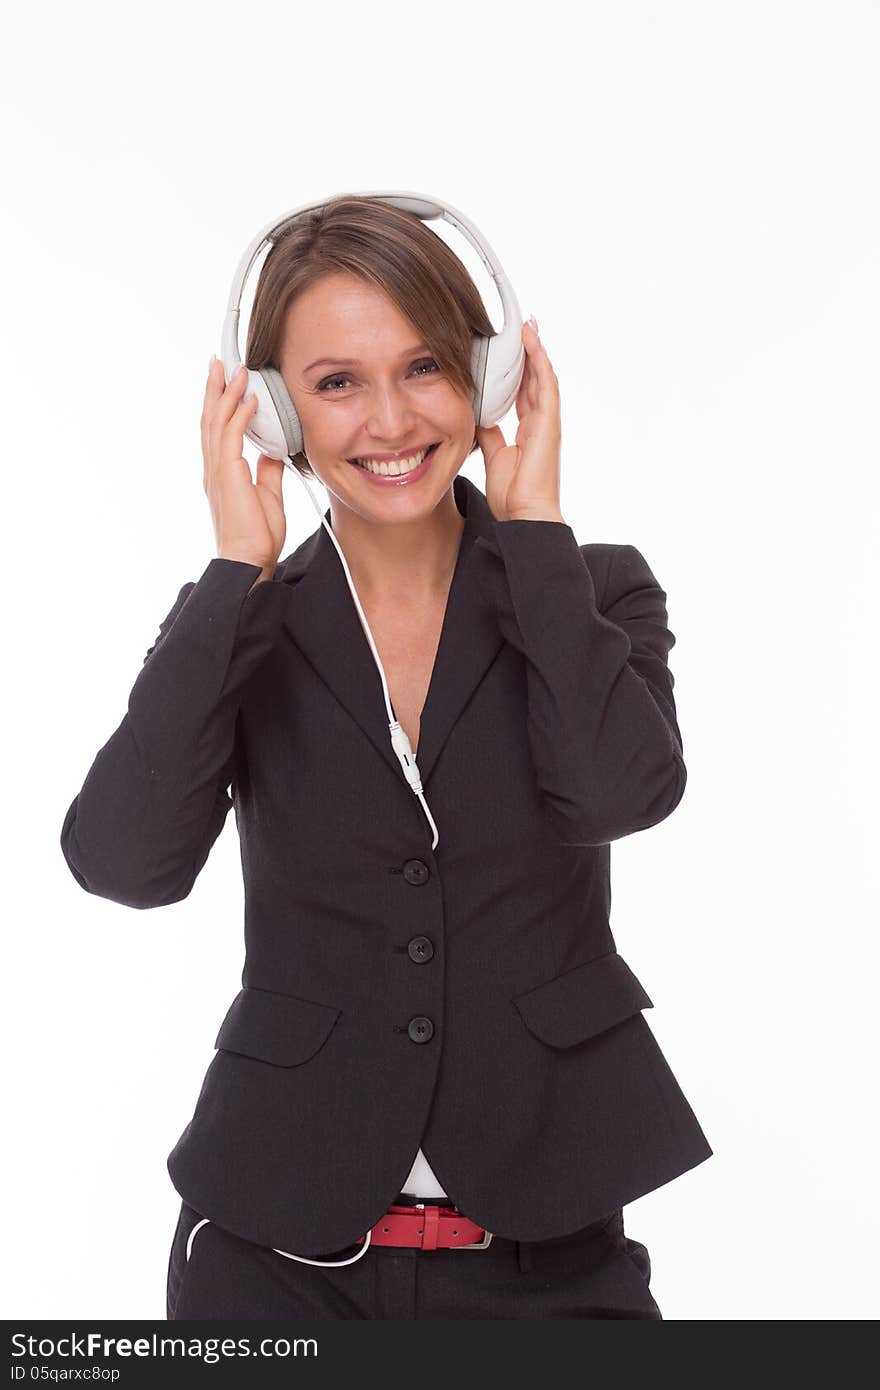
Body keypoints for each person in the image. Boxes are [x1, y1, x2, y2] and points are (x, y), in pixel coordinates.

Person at [61, 196, 712, 1319]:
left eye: (423, 366)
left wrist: (537, 531)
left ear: (490, 377)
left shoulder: (593, 590)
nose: (390, 420)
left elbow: (618, 792)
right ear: (272, 410)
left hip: (550, 1261)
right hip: (270, 1262)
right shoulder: (236, 623)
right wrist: (234, 573)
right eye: (335, 382)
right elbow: (124, 861)